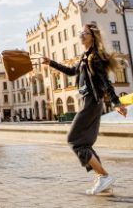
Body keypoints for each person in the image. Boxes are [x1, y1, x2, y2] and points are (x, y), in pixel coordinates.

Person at [42, 23, 127, 196]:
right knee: (85, 143)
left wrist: (116, 102)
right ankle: (103, 181)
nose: (81, 35)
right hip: (88, 101)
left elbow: (104, 81)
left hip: (91, 101)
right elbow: (72, 71)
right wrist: (50, 63)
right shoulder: (85, 56)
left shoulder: (94, 57)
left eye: (84, 33)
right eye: (80, 32)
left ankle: (103, 175)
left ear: (92, 37)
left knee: (74, 140)